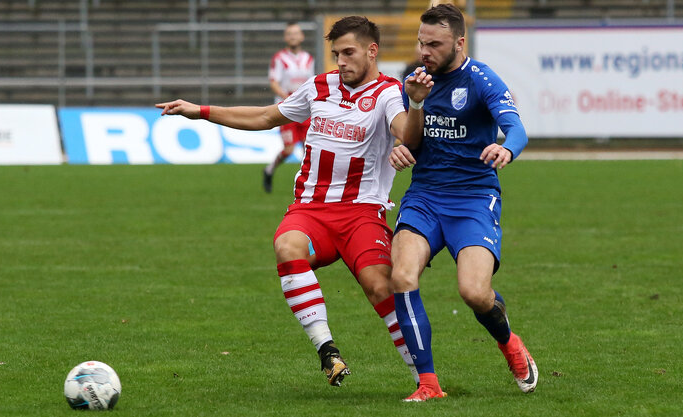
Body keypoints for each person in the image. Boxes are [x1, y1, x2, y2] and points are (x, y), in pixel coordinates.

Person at [156, 16, 419, 388]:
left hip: (362, 212)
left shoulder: (389, 93)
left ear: (371, 51)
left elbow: (404, 129)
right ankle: (327, 350)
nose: (340, 61)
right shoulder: (318, 87)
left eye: (348, 53)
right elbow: (265, 116)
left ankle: (423, 380)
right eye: (335, 54)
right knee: (286, 245)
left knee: (380, 288)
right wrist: (200, 111)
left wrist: (405, 139)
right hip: (311, 209)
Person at [388, 4, 536, 402]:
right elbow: (412, 141)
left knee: (474, 293)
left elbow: (516, 128)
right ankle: (429, 384)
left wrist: (508, 149)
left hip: (473, 198)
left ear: (458, 41)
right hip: (424, 197)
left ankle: (509, 343)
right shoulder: (415, 81)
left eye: (434, 44)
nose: (425, 51)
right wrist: (411, 117)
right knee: (401, 277)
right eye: (421, 43)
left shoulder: (482, 79)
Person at [263, 22, 315, 193]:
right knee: (288, 149)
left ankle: (307, 184)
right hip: (287, 109)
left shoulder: (308, 59)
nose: (293, 36)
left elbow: (310, 82)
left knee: (309, 148)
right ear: (286, 37)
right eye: (290, 34)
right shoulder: (279, 58)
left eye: (296, 33)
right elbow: (273, 82)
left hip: (305, 109)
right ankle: (269, 170)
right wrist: (289, 98)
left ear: (302, 37)